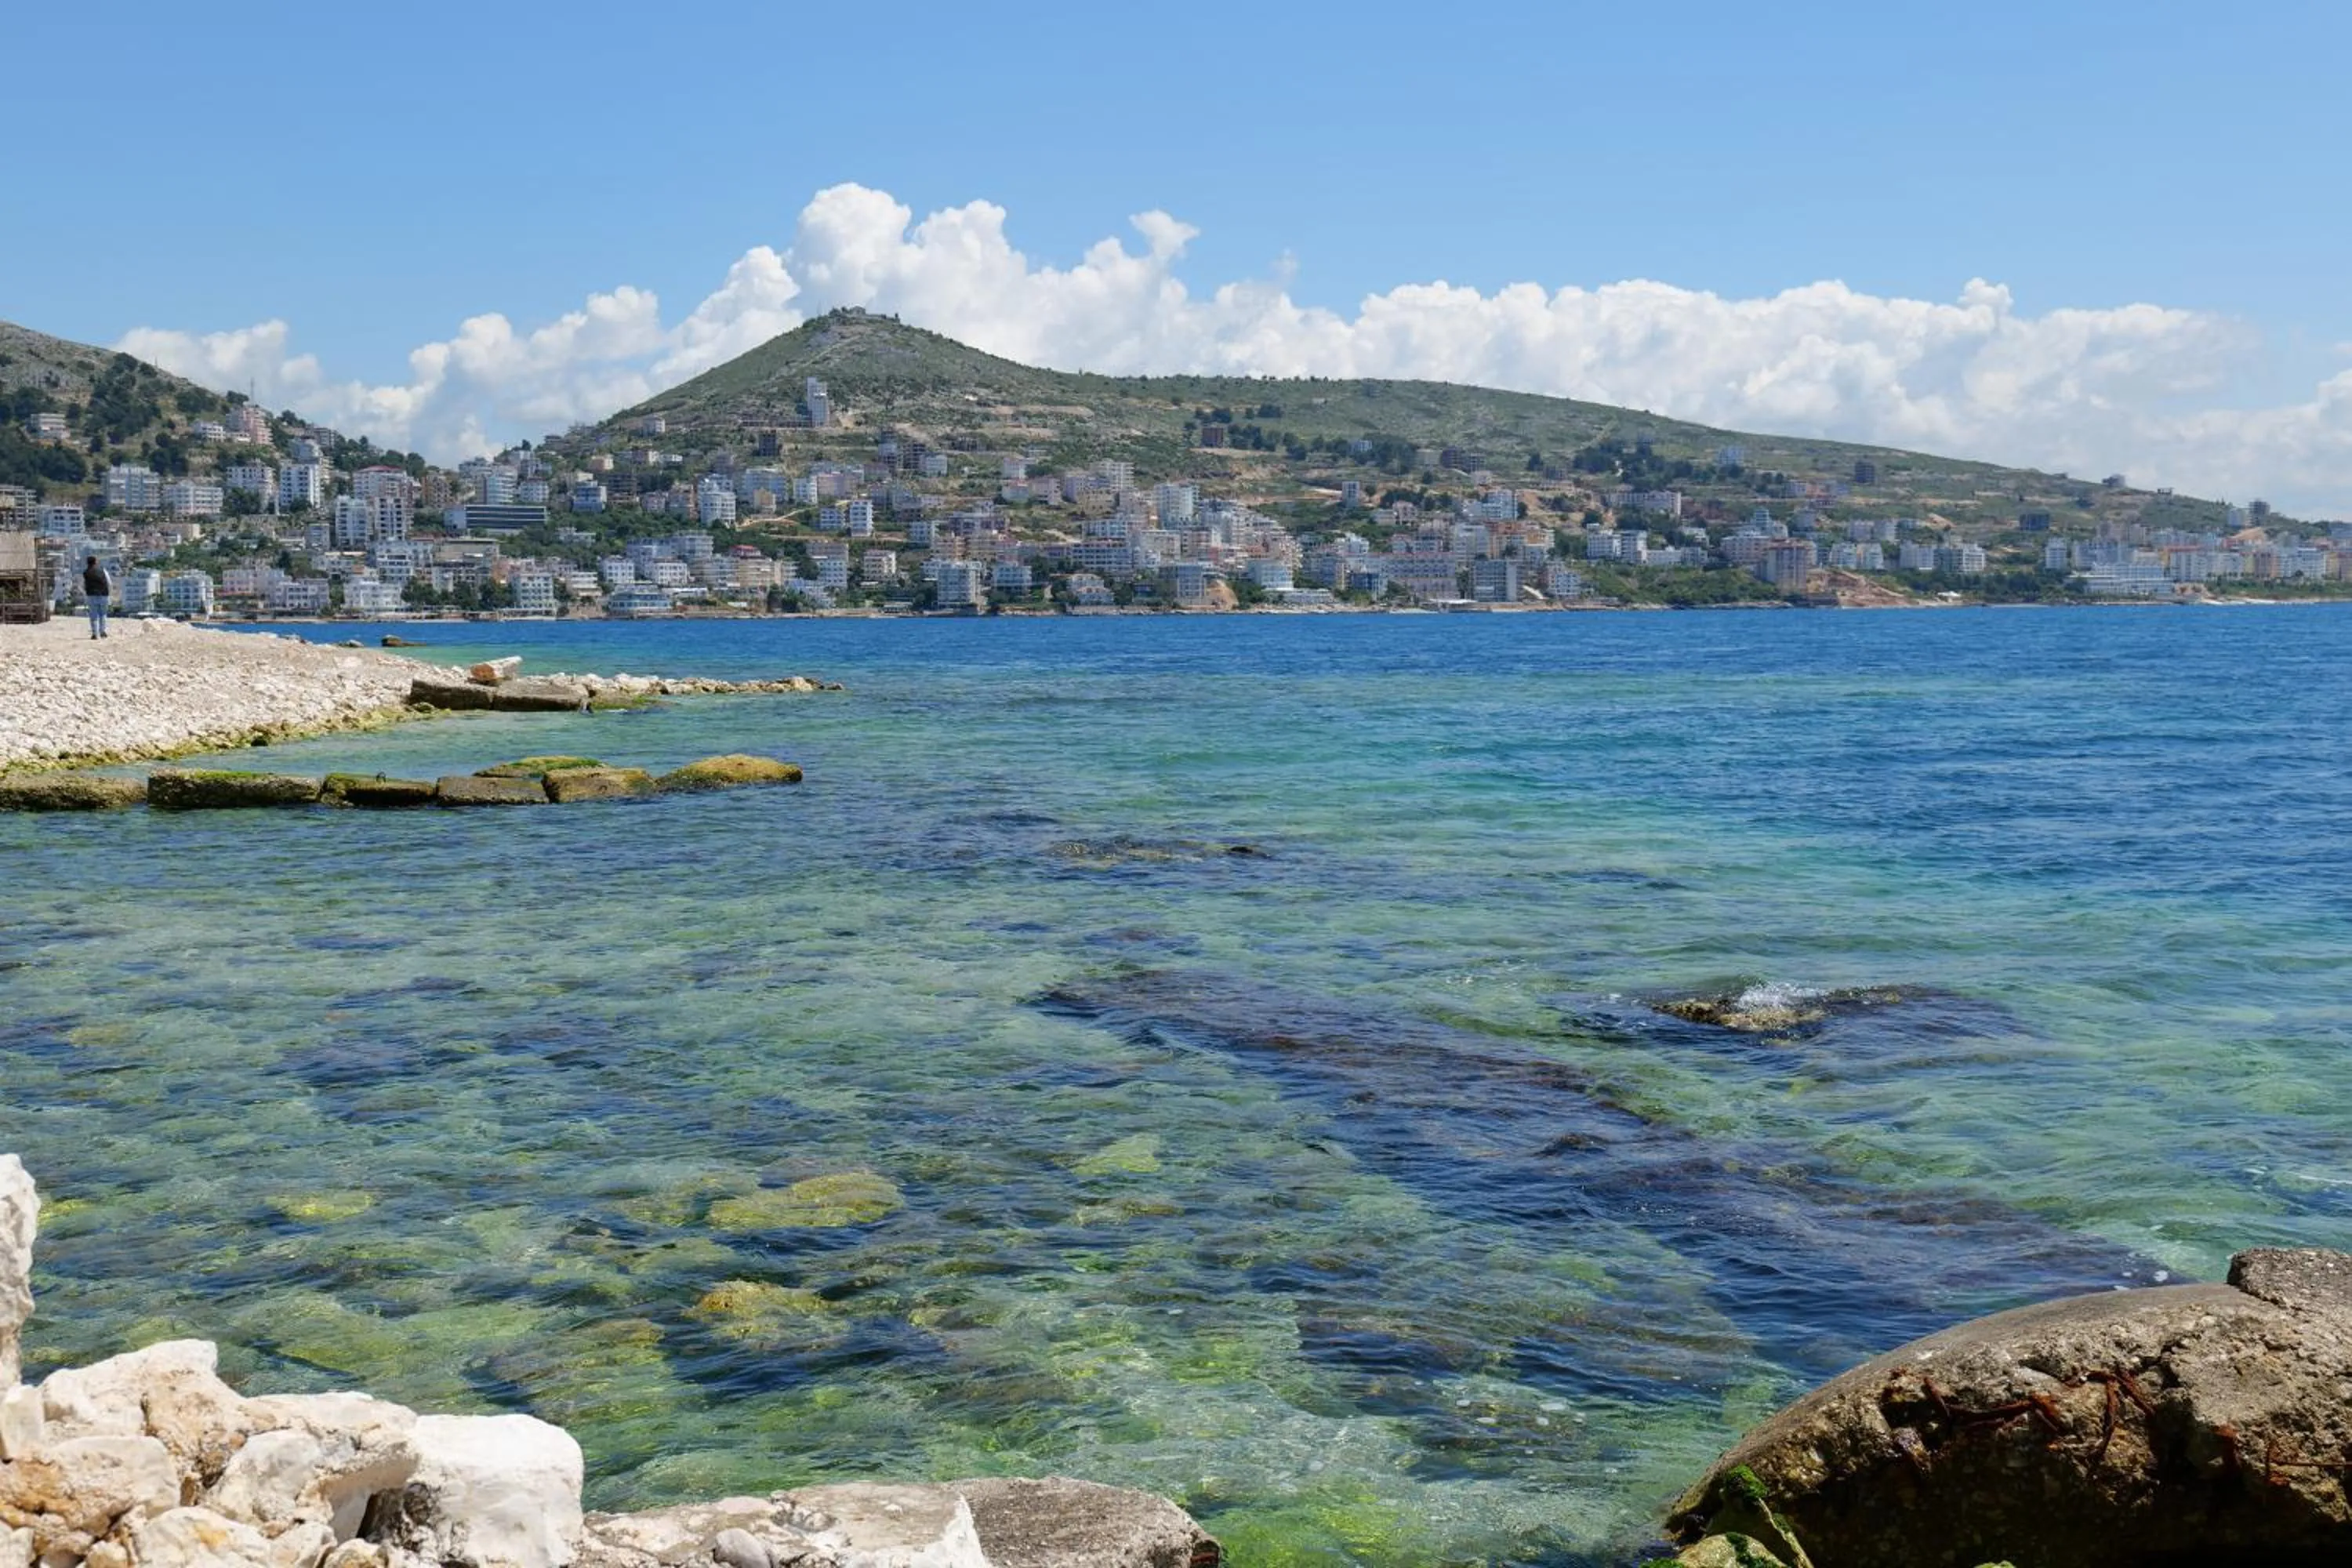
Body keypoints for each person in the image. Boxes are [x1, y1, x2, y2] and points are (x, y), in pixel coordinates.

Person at [82, 556, 111, 639]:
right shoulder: (103, 570)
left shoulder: (86, 572)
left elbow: (84, 585)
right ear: (96, 562)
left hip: (91, 595)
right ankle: (102, 632)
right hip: (103, 594)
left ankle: (95, 633)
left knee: (93, 615)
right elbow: (109, 582)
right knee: (103, 614)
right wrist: (109, 593)